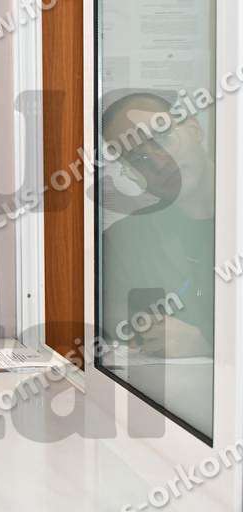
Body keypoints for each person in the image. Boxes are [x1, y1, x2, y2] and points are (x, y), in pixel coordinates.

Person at [100, 93, 214, 359]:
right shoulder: (123, 241)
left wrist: (207, 343)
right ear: (132, 175)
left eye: (163, 138)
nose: (161, 163)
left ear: (194, 129)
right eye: (139, 159)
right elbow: (116, 335)